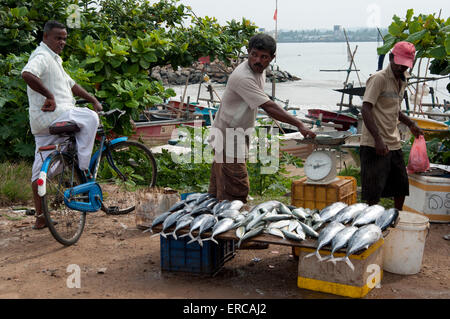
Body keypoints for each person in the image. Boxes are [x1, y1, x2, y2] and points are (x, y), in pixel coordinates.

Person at [208, 33, 315, 204]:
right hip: (229, 138)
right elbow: (269, 106)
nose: (258, 60)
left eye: (264, 57)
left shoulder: (258, 70)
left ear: (272, 58)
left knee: (220, 190)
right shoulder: (243, 77)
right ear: (248, 52)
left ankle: (215, 222)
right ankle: (227, 224)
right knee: (237, 189)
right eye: (254, 55)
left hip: (232, 134)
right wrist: (299, 124)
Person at [21, 20, 102, 230]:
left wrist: (91, 97)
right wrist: (49, 95)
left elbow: (71, 84)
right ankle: (82, 166)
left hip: (42, 125)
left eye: (64, 38)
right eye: (58, 38)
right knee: (91, 118)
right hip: (55, 117)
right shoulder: (41, 56)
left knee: (39, 173)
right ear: (45, 37)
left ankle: (40, 218)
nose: (62, 42)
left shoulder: (54, 59)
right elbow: (27, 74)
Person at [360, 41, 423, 210]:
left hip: (393, 141)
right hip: (374, 143)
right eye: (399, 63)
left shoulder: (403, 79)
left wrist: (411, 124)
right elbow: (366, 109)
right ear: (390, 57)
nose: (401, 68)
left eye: (405, 65)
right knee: (374, 191)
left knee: (400, 185)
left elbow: (395, 109)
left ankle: (397, 216)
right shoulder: (378, 79)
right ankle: (371, 222)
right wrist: (378, 141)